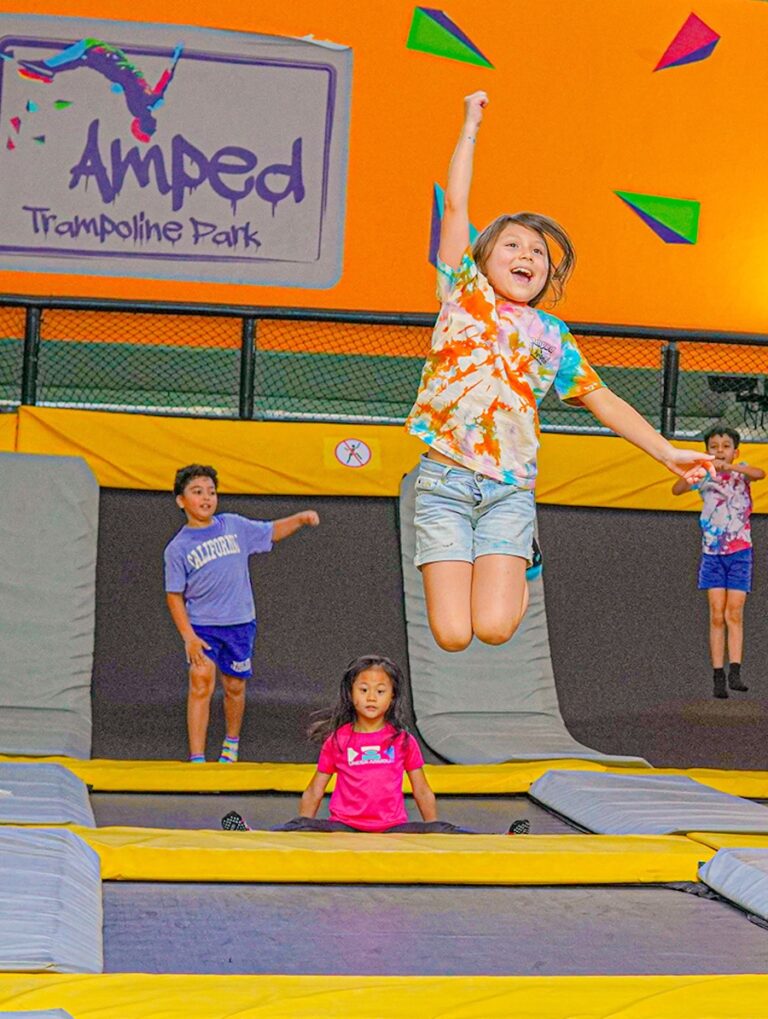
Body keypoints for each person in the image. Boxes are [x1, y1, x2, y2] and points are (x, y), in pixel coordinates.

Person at [405, 91, 714, 653]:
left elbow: (605, 400)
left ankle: (527, 560)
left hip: (508, 491)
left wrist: (668, 452)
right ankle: (510, 558)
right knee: (452, 636)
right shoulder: (463, 294)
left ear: (547, 274)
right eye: (512, 244)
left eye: (539, 253)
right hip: (443, 486)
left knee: (495, 629)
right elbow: (455, 206)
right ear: (482, 257)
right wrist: (470, 124)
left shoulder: (553, 337)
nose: (527, 255)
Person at [222, 654, 530, 834]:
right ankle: (253, 835)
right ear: (351, 693)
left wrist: (432, 829)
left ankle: (502, 838)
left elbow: (421, 788)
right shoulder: (339, 739)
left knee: (444, 829)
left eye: (380, 691)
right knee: (299, 827)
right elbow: (316, 788)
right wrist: (305, 823)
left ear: (392, 697)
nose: (371, 697)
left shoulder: (402, 740)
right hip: (343, 825)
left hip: (392, 827)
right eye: (364, 689)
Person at [164, 464, 319, 762]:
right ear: (181, 500)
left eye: (211, 492)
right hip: (203, 627)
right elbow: (174, 595)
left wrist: (299, 519)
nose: (206, 498)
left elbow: (271, 532)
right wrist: (189, 637)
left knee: (234, 686)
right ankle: (196, 759)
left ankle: (230, 744)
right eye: (197, 492)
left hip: (238, 625)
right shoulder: (178, 548)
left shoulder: (233, 526)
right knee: (200, 680)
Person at [672, 427, 764, 698]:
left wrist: (733, 466)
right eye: (714, 446)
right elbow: (677, 489)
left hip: (740, 552)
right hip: (712, 553)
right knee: (716, 613)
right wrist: (695, 471)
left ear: (735, 451)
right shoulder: (705, 476)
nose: (719, 450)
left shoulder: (741, 470)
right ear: (707, 450)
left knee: (734, 612)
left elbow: (760, 474)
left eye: (725, 446)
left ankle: (735, 669)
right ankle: (717, 674)